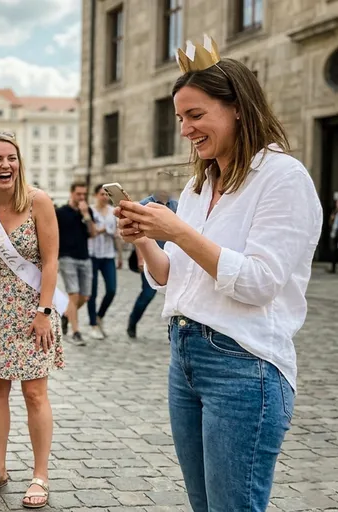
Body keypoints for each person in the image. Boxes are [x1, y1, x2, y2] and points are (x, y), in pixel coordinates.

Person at [117, 37, 322, 511]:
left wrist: (179, 231)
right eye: (180, 118)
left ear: (236, 109)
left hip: (244, 365)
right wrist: (146, 237)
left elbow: (259, 283)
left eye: (196, 115)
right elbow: (173, 278)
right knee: (204, 505)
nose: (186, 129)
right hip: (184, 355)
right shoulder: (198, 184)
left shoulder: (282, 178)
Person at [0, 132, 63, 509]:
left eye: (12, 158)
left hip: (33, 310)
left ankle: (40, 474)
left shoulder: (39, 201)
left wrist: (44, 312)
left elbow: (51, 261)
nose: (6, 165)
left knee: (35, 393)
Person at [126, 190, 177, 339]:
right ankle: (133, 321)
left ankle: (173, 333)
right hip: (151, 258)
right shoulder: (145, 205)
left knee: (174, 299)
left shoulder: (176, 205)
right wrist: (141, 259)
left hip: (173, 259)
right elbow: (137, 234)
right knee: (147, 294)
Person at [55, 183, 97, 345]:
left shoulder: (87, 211)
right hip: (67, 258)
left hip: (84, 257)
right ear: (71, 193)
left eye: (83, 194)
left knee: (85, 296)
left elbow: (92, 233)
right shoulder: (60, 212)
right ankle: (76, 332)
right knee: (73, 294)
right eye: (78, 194)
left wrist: (86, 215)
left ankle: (66, 315)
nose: (81, 197)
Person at [86, 185, 117, 340]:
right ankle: (93, 325)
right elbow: (87, 231)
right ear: (95, 195)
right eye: (101, 194)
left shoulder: (113, 212)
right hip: (92, 254)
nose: (104, 197)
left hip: (108, 254)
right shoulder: (89, 210)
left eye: (106, 194)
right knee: (92, 292)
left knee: (111, 289)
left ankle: (100, 315)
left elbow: (116, 233)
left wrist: (120, 257)